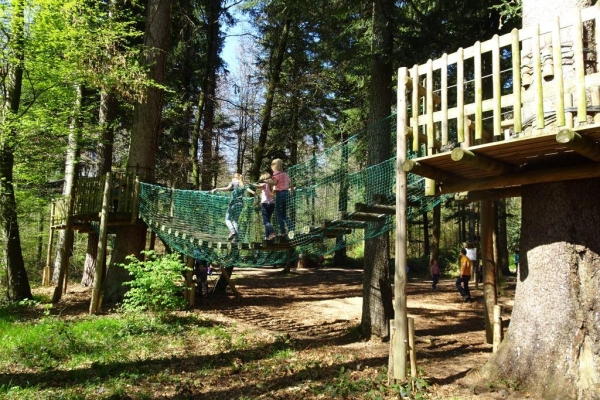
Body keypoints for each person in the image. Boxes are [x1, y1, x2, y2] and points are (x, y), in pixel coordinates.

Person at [211, 172, 250, 243]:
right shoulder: (243, 184)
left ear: (235, 178)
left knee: (227, 219)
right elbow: (249, 190)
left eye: (233, 177)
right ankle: (236, 238)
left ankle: (232, 231)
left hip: (233, 203)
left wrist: (217, 189)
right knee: (235, 220)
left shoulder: (234, 182)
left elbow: (227, 188)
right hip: (240, 204)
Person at [271, 158, 294, 237]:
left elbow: (275, 183)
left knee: (279, 214)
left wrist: (268, 182)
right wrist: (292, 191)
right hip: (287, 194)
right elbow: (290, 182)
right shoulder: (285, 174)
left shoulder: (275, 174)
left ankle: (283, 232)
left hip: (280, 194)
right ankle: (291, 229)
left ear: (275, 165)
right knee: (284, 214)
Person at [250, 172, 276, 240]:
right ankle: (267, 236)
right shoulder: (273, 185)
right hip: (272, 204)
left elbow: (258, 186)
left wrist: (250, 184)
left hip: (265, 204)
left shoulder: (265, 184)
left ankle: (272, 232)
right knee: (268, 221)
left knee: (266, 221)